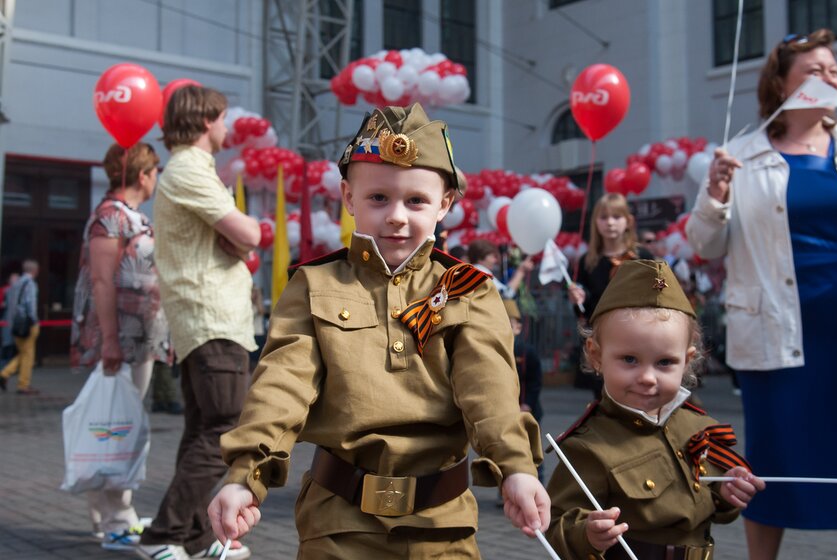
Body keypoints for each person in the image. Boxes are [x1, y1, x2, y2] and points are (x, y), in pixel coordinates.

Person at [208, 103, 549, 558]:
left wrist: (516, 469)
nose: (397, 216)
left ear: (445, 203)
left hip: (442, 526)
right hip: (338, 524)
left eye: (416, 200)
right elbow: (282, 384)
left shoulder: (469, 290)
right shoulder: (314, 285)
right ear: (349, 198)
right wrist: (245, 475)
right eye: (378, 198)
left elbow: (489, 391)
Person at [686, 28, 837, 559]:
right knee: (774, 457)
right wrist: (716, 196)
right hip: (775, 329)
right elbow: (704, 243)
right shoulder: (739, 154)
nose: (829, 77)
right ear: (780, 84)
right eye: (814, 70)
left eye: (833, 68)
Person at [545, 259, 765, 560]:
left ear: (687, 361)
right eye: (629, 360)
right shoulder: (589, 446)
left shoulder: (697, 427)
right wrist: (587, 534)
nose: (647, 378)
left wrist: (726, 495)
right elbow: (556, 524)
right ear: (596, 355)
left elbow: (708, 505)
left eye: (664, 363)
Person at [137, 85, 260, 560]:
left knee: (202, 430)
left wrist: (237, 240)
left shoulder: (188, 168)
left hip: (203, 320)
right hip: (212, 318)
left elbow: (238, 239)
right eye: (224, 118)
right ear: (207, 120)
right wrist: (241, 239)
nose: (228, 127)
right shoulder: (189, 167)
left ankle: (191, 539)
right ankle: (164, 536)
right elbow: (248, 233)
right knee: (225, 429)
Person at [69, 142, 171, 550]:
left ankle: (112, 514)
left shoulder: (127, 216)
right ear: (144, 175)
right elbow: (100, 280)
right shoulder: (111, 215)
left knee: (119, 425)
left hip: (138, 340)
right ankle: (115, 518)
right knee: (116, 429)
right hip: (122, 342)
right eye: (155, 172)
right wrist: (110, 340)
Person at [567, 193, 653, 398]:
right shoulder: (587, 262)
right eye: (604, 217)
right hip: (603, 340)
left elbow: (659, 292)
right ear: (595, 222)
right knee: (605, 398)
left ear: (628, 221)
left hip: (639, 336)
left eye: (616, 217)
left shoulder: (643, 258)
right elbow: (584, 310)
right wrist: (578, 298)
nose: (610, 223)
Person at [505, 299, 543, 481]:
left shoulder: (527, 351)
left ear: (518, 328)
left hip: (527, 409)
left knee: (531, 449)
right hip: (506, 410)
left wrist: (527, 403)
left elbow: (535, 381)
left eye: (510, 324)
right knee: (507, 451)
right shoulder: (495, 350)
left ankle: (538, 482)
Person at [0, 259, 40, 394]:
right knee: (28, 355)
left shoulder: (16, 285)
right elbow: (31, 304)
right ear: (35, 270)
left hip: (16, 323)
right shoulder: (30, 284)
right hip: (27, 323)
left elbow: (11, 305)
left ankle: (5, 374)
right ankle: (23, 384)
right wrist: (34, 320)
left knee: (23, 353)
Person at [467, 238, 534, 299]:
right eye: (492, 257)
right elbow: (507, 293)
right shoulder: (481, 272)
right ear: (480, 258)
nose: (495, 260)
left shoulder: (473, 271)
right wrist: (521, 271)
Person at [0, 271, 20, 368]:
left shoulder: (21, 291)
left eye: (16, 278)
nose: (15, 280)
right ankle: (4, 366)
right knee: (6, 345)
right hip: (7, 322)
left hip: (17, 322)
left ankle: (11, 367)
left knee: (15, 346)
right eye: (13, 278)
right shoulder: (5, 291)